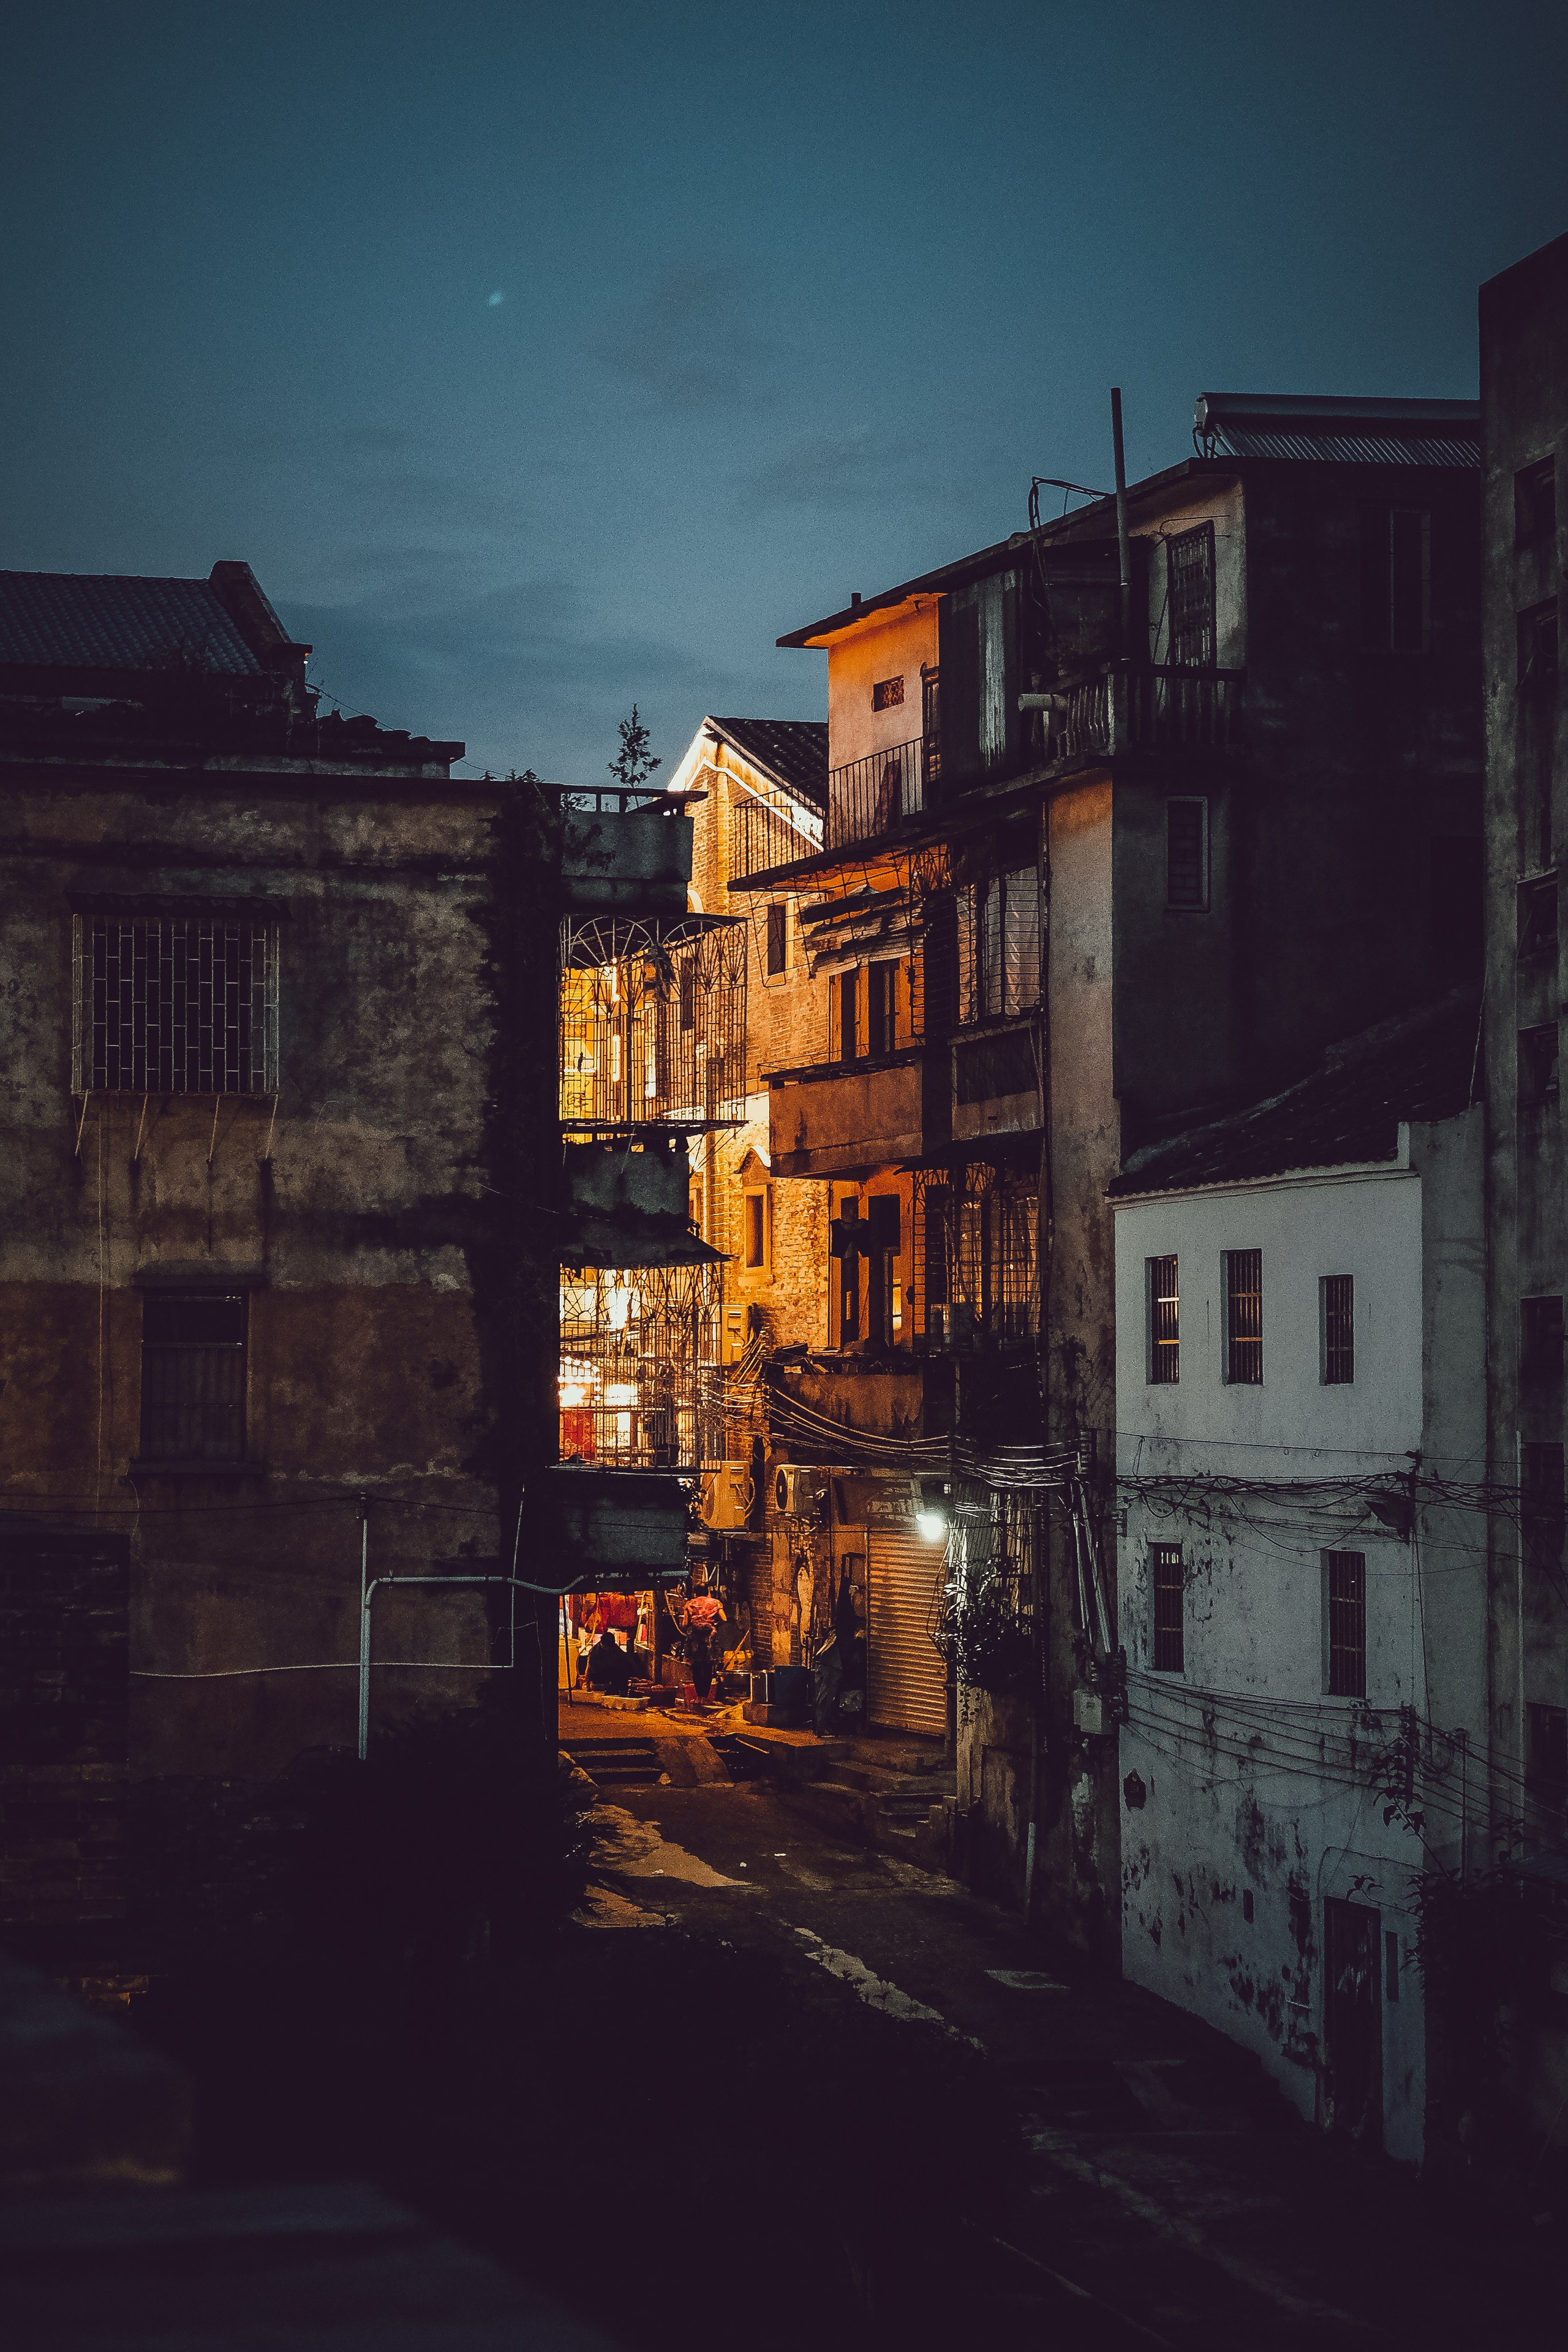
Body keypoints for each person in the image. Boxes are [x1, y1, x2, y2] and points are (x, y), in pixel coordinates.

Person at [586, 1627, 630, 1696]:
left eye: (609, 1647)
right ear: (602, 1644)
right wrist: (588, 1687)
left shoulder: (615, 1649)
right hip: (599, 1675)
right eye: (605, 1647)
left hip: (612, 1673)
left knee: (622, 1670)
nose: (607, 1649)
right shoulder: (594, 1652)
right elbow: (589, 1669)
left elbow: (626, 1664)